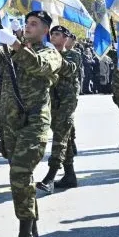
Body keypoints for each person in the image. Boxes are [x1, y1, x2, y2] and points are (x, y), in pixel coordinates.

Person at [0, 11, 62, 237]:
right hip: (11, 124)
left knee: (20, 174)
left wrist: (15, 45)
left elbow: (39, 66)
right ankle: (34, 235)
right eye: (27, 23)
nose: (28, 27)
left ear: (45, 31)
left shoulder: (51, 53)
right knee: (24, 182)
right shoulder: (12, 52)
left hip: (34, 123)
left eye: (34, 24)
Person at [36, 25, 82, 193]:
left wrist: (54, 55)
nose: (53, 37)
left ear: (65, 38)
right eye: (52, 34)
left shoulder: (74, 55)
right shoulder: (47, 54)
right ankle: (70, 175)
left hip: (67, 102)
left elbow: (69, 70)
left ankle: (51, 176)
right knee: (66, 138)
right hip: (52, 101)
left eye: (57, 34)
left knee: (60, 137)